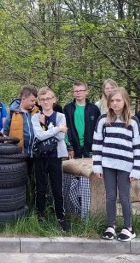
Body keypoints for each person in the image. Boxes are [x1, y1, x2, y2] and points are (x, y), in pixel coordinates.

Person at [92, 87, 140, 242]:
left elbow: (138, 146)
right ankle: (111, 226)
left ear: (125, 101)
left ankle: (128, 228)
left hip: (126, 165)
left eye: (118, 100)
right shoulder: (103, 120)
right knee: (110, 196)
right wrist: (97, 165)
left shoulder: (133, 121)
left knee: (124, 196)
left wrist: (137, 168)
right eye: (112, 100)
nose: (115, 103)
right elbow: (97, 143)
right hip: (108, 164)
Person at [31, 87, 71, 231]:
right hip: (40, 157)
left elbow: (61, 137)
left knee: (57, 188)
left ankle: (61, 217)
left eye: (48, 99)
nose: (46, 102)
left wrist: (47, 128)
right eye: (42, 100)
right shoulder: (35, 117)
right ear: (38, 102)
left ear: (54, 100)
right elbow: (39, 136)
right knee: (40, 188)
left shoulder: (60, 116)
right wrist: (54, 128)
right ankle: (40, 215)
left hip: (56, 156)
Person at [63, 80, 100, 219]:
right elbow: (66, 129)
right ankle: (74, 212)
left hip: (90, 150)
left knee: (88, 181)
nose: (78, 93)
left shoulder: (93, 109)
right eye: (75, 91)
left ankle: (89, 213)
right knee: (74, 181)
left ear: (86, 91)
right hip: (74, 149)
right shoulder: (68, 108)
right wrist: (69, 147)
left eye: (81, 90)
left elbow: (98, 130)